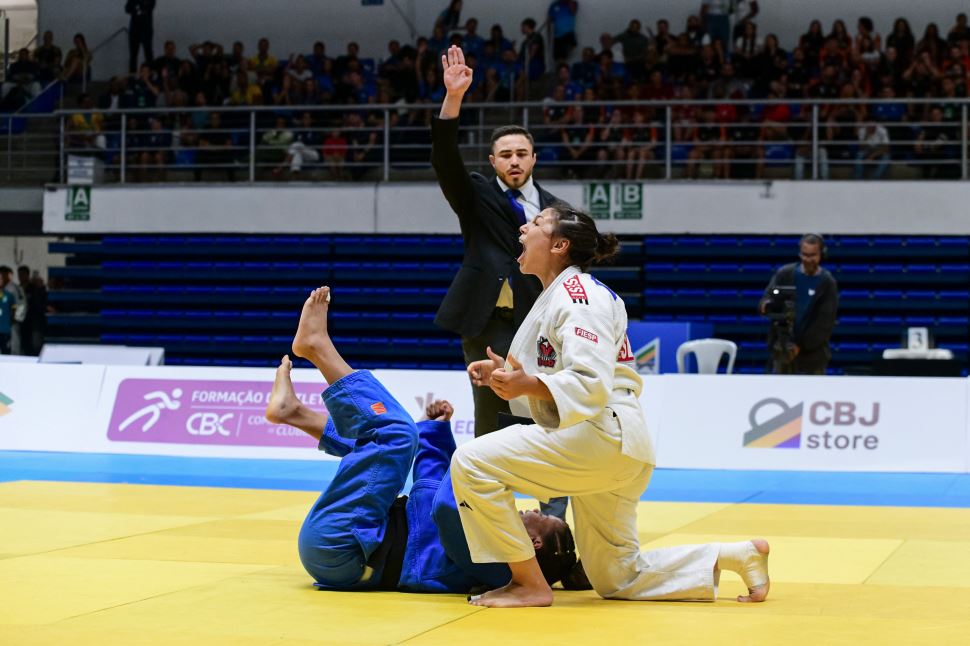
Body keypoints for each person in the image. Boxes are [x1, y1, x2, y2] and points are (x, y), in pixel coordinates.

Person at [449, 202, 771, 607]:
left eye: (535, 223)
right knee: (618, 576)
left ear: (559, 245)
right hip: (612, 447)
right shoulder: (561, 295)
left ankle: (528, 582)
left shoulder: (580, 297)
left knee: (471, 463)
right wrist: (509, 373)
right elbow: (564, 370)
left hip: (601, 436)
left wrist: (528, 383)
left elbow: (590, 382)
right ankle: (735, 556)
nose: (522, 230)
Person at [264, 285, 575, 593]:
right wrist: (436, 434)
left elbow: (445, 506)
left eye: (544, 518)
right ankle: (294, 413)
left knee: (397, 435)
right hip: (349, 544)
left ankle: (318, 348)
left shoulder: (501, 567)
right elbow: (430, 492)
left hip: (346, 547)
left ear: (535, 544)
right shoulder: (492, 544)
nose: (535, 511)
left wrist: (486, 471)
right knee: (393, 441)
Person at [434, 45, 568, 519]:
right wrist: (454, 98)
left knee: (549, 417)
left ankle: (552, 524)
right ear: (492, 161)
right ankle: (493, 525)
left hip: (539, 327)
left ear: (534, 158)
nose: (514, 161)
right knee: (491, 421)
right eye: (505, 154)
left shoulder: (556, 212)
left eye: (521, 153)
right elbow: (444, 156)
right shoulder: (474, 196)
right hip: (486, 323)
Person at [759, 234, 838, 375]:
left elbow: (824, 323)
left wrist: (800, 346)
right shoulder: (785, 274)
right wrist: (766, 305)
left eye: (813, 255)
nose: (808, 260)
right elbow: (768, 297)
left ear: (822, 254)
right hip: (782, 350)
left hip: (813, 356)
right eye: (805, 255)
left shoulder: (827, 283)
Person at [125, 0, 155, 73]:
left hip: (146, 30)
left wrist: (136, 7)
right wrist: (138, 8)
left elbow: (149, 7)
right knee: (133, 56)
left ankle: (150, 75)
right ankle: (132, 77)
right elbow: (127, 9)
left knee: (148, 54)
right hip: (134, 30)